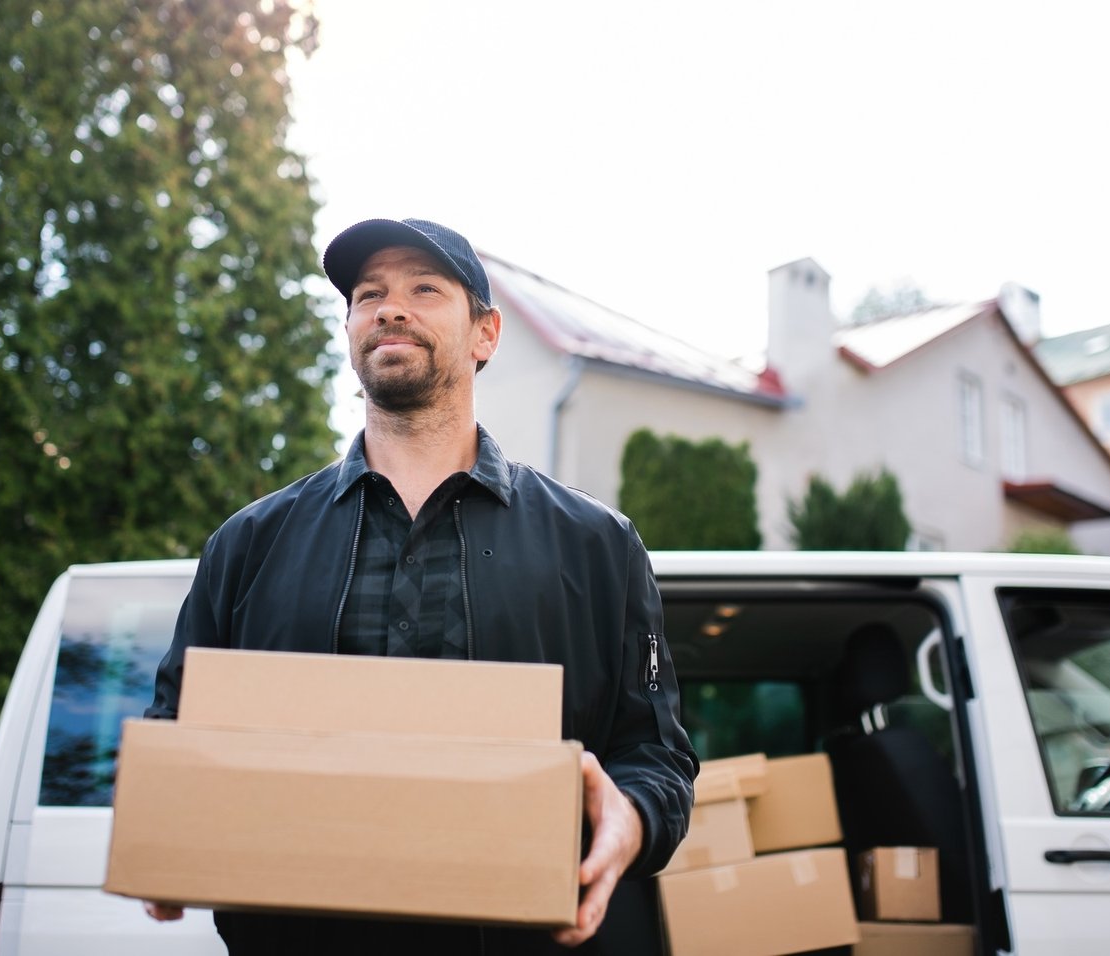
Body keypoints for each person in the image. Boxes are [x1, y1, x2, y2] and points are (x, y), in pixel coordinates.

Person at [141, 217, 698, 953]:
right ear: (349, 330)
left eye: (425, 289)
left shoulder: (599, 546)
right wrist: (163, 819)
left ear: (485, 334)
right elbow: (175, 725)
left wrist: (631, 818)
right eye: (368, 295)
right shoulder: (248, 544)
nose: (390, 309)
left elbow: (656, 755)